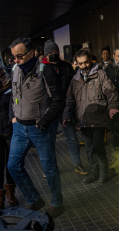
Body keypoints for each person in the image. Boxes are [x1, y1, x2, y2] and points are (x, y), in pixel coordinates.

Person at [8, 37, 64, 218]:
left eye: (19, 56)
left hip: (40, 128)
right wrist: (13, 116)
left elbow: (58, 100)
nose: (16, 60)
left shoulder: (44, 71)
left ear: (32, 52)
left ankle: (57, 203)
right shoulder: (15, 70)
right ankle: (34, 198)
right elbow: (13, 94)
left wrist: (45, 121)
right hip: (19, 128)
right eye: (13, 57)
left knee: (49, 168)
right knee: (13, 166)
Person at [62, 49, 119, 184]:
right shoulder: (75, 80)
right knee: (89, 149)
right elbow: (70, 100)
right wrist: (66, 115)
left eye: (86, 62)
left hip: (98, 119)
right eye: (80, 64)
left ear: (90, 61)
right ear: (76, 64)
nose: (83, 66)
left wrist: (112, 107)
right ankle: (94, 173)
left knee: (98, 146)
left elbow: (111, 92)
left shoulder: (100, 75)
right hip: (83, 120)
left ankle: (104, 172)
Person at [43, 39, 87, 175]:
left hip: (66, 109)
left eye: (56, 52)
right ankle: (51, 168)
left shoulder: (67, 67)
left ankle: (77, 164)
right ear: (46, 55)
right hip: (51, 110)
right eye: (51, 53)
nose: (54, 54)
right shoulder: (43, 69)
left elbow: (74, 87)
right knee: (50, 141)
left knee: (72, 137)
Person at [0, 63, 19, 209]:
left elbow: (15, 105)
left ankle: (10, 194)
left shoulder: (9, 84)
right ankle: (0, 196)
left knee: (10, 165)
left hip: (10, 130)